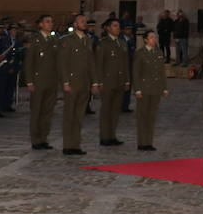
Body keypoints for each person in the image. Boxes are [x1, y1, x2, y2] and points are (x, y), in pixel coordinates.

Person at [56, 13, 96, 155]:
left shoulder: (87, 40)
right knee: (69, 115)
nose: (84, 23)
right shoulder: (68, 40)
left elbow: (91, 62)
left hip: (84, 83)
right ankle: (68, 145)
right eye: (81, 21)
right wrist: (65, 81)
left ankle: (76, 144)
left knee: (79, 115)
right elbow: (63, 63)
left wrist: (94, 81)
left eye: (85, 21)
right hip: (72, 82)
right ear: (75, 24)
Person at [94, 18, 131, 146]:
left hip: (119, 81)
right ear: (108, 28)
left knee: (115, 110)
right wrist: (99, 81)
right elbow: (99, 64)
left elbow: (125, 63)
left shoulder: (122, 43)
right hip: (107, 81)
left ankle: (112, 135)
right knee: (106, 110)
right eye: (115, 26)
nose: (117, 28)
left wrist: (127, 80)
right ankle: (105, 137)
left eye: (118, 26)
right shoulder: (103, 43)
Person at [24, 14, 59, 147]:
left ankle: (44, 138)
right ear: (41, 25)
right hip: (38, 81)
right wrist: (29, 81)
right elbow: (29, 62)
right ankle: (36, 139)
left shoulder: (55, 39)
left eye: (51, 22)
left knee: (48, 112)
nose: (50, 24)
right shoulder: (35, 40)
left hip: (51, 81)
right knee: (37, 111)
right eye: (47, 22)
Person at [133, 28, 168, 150]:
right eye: (152, 37)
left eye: (155, 37)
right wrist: (137, 89)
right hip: (144, 88)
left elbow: (161, 72)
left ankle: (149, 142)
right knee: (142, 116)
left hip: (155, 89)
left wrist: (164, 87)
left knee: (151, 116)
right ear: (145, 40)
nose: (154, 39)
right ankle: (142, 143)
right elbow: (136, 72)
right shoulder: (140, 53)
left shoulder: (158, 53)